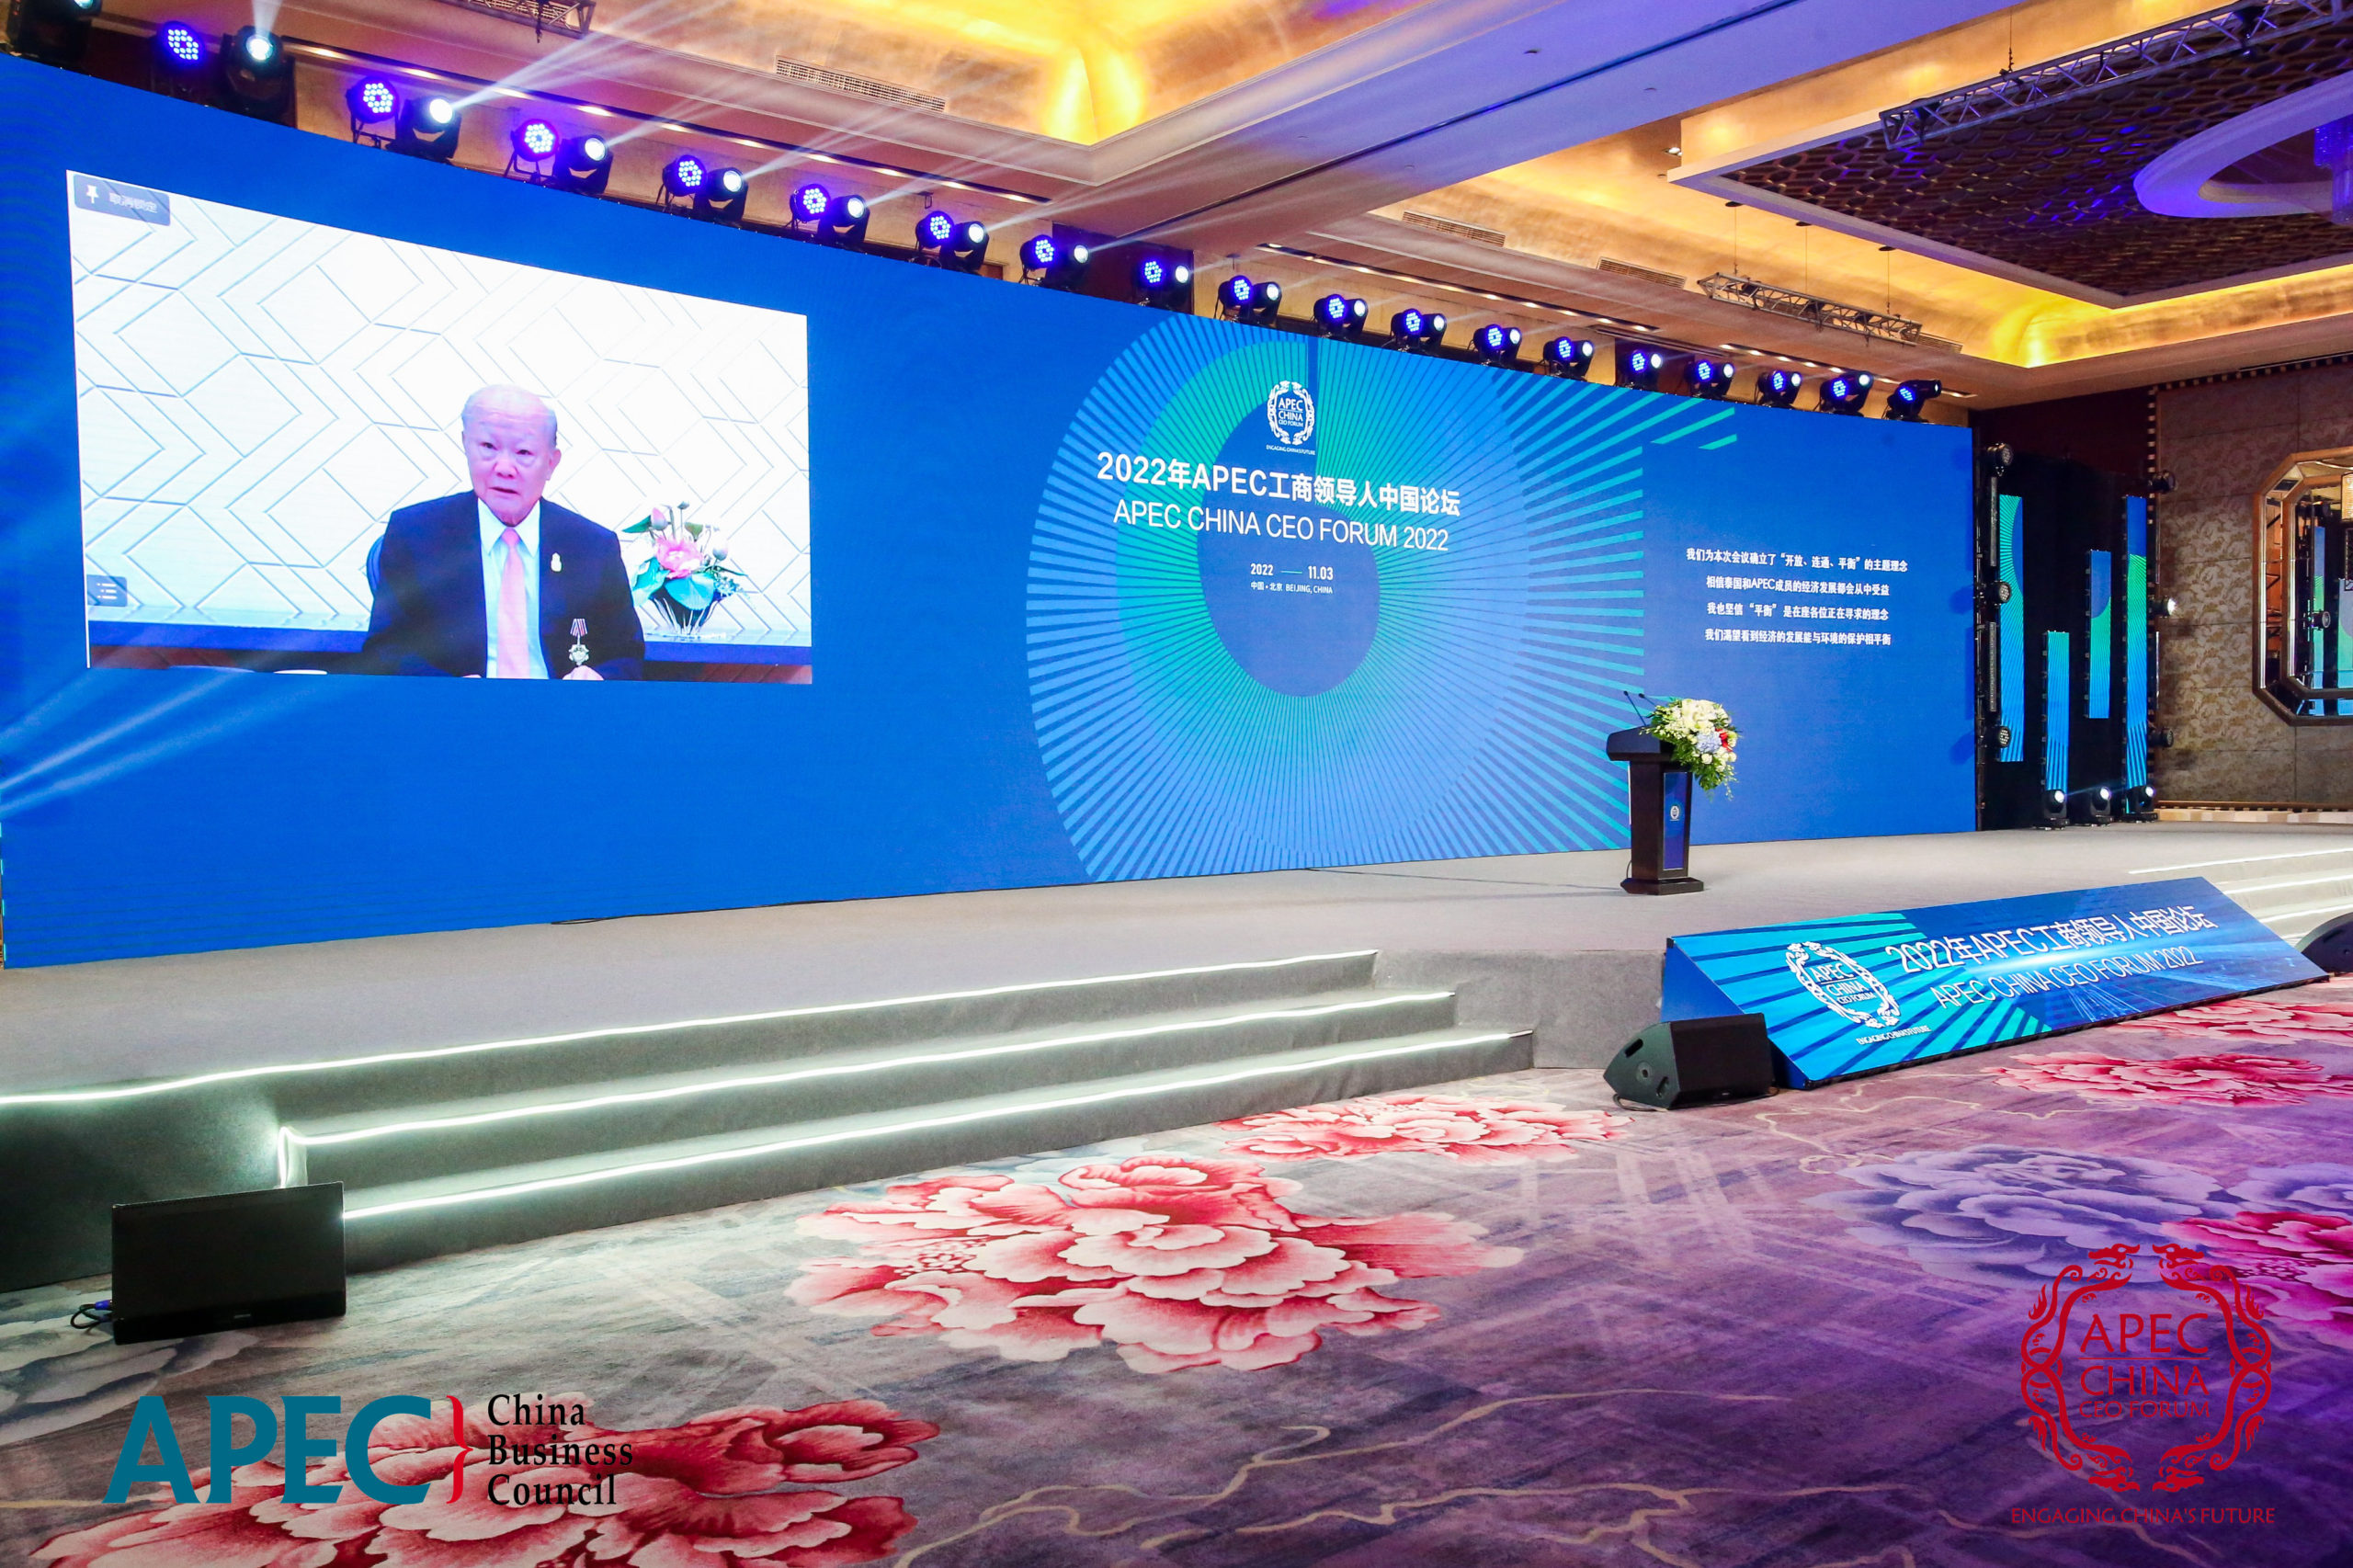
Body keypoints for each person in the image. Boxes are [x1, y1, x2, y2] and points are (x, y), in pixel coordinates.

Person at [361, 385, 644, 679]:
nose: (504, 468)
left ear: (551, 463)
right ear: (466, 445)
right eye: (488, 447)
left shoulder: (593, 546)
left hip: (560, 705)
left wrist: (597, 676)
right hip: (458, 706)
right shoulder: (415, 534)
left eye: (523, 452)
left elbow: (626, 655)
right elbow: (385, 650)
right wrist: (447, 689)